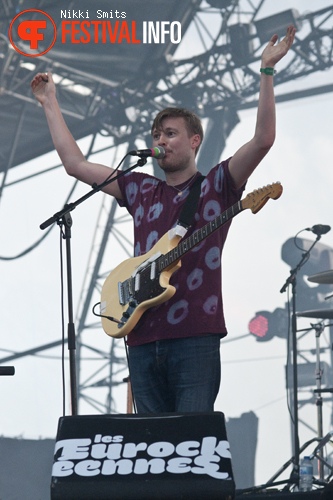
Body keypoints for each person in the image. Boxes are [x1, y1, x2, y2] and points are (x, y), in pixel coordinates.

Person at [31, 26, 296, 414]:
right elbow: (76, 164)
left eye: (171, 133)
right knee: (152, 448)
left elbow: (262, 140)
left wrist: (266, 72)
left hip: (194, 337)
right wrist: (50, 101)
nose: (161, 139)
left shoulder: (218, 186)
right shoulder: (141, 189)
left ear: (194, 141)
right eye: (158, 133)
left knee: (189, 444)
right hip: (140, 337)